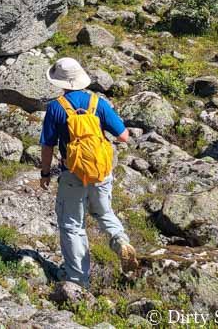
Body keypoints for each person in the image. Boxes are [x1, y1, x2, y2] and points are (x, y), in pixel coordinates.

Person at [38, 56, 139, 287]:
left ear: (60, 82)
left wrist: (45, 174)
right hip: (101, 171)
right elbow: (124, 137)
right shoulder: (98, 103)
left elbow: (47, 145)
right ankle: (120, 241)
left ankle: (77, 279)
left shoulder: (56, 108)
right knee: (104, 213)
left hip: (72, 173)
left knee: (72, 225)